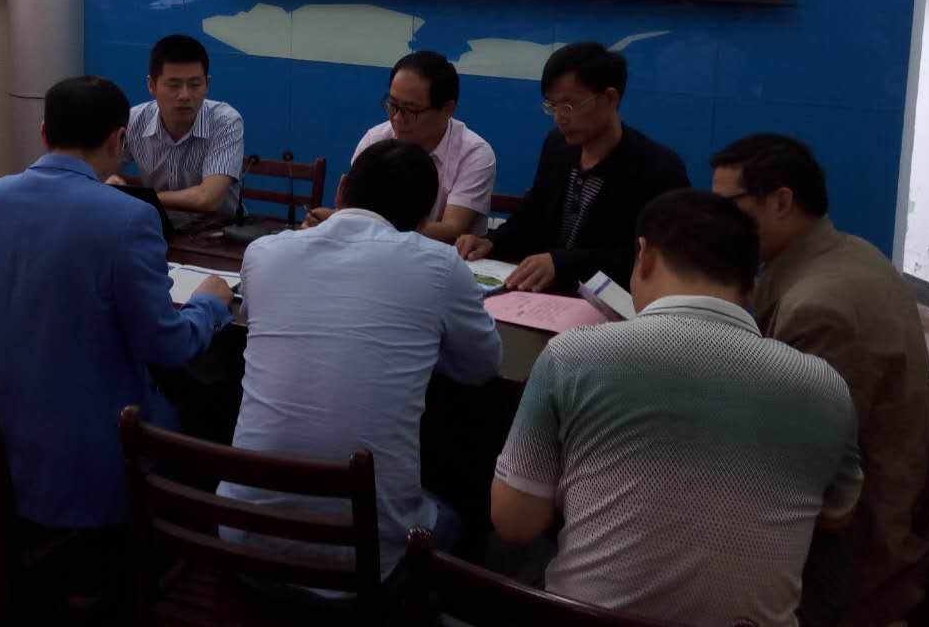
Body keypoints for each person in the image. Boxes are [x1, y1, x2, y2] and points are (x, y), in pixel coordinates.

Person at [492, 190, 863, 626]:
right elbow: (837, 514)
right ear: (753, 283)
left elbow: (514, 522)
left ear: (644, 257)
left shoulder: (571, 355)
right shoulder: (826, 387)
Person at [0, 75, 233, 532]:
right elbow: (167, 347)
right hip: (84, 476)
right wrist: (209, 305)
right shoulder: (129, 217)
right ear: (118, 139)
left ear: (43, 133)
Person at [221, 139, 503, 582]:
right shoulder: (440, 265)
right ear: (425, 219)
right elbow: (482, 366)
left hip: (241, 545)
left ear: (341, 190)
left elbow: (257, 320)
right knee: (461, 513)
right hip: (368, 569)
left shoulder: (263, 253)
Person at [711, 134, 929, 626]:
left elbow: (800, 471)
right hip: (860, 504)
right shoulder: (841, 252)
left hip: (849, 552)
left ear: (781, 201)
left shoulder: (820, 309)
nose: (717, 224)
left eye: (728, 208)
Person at [458, 41, 687, 292]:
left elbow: (650, 260)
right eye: (552, 106)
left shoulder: (657, 168)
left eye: (568, 106)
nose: (559, 118)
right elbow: (532, 217)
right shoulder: (558, 147)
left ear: (609, 98)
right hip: (541, 298)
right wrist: (492, 242)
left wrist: (563, 263)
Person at [303, 51, 495, 243]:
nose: (396, 118)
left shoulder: (473, 154)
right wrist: (332, 220)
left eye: (410, 110)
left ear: (447, 109)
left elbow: (452, 231)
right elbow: (353, 211)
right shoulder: (376, 140)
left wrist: (347, 220)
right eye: (392, 105)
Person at [112, 34, 244, 216]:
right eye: (173, 85)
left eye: (195, 85)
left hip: (216, 227)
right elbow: (97, 172)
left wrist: (140, 198)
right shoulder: (134, 119)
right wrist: (109, 182)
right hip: (156, 221)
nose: (184, 96)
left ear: (207, 84)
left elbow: (207, 198)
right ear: (151, 85)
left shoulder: (225, 121)